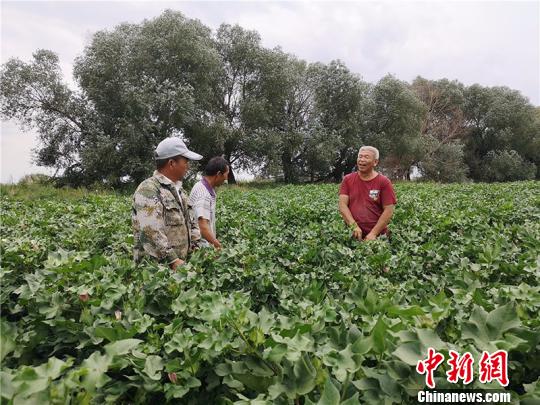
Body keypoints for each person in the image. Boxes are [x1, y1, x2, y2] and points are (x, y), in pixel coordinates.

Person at [132, 137, 202, 270]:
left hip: (180, 270)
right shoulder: (149, 189)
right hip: (156, 273)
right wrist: (173, 260)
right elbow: (151, 231)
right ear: (171, 163)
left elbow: (192, 223)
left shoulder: (180, 191)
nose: (188, 166)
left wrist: (195, 248)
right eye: (185, 161)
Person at [338, 146, 397, 241]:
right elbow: (342, 205)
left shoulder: (384, 182)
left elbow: (388, 211)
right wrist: (354, 226)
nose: (362, 160)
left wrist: (373, 234)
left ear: (375, 162)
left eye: (366, 157)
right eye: (360, 157)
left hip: (378, 237)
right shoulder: (347, 180)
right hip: (352, 234)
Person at [189, 157, 229, 249]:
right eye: (226, 175)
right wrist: (218, 246)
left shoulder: (199, 185)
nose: (226, 179)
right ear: (218, 174)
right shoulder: (204, 194)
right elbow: (203, 226)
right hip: (201, 248)